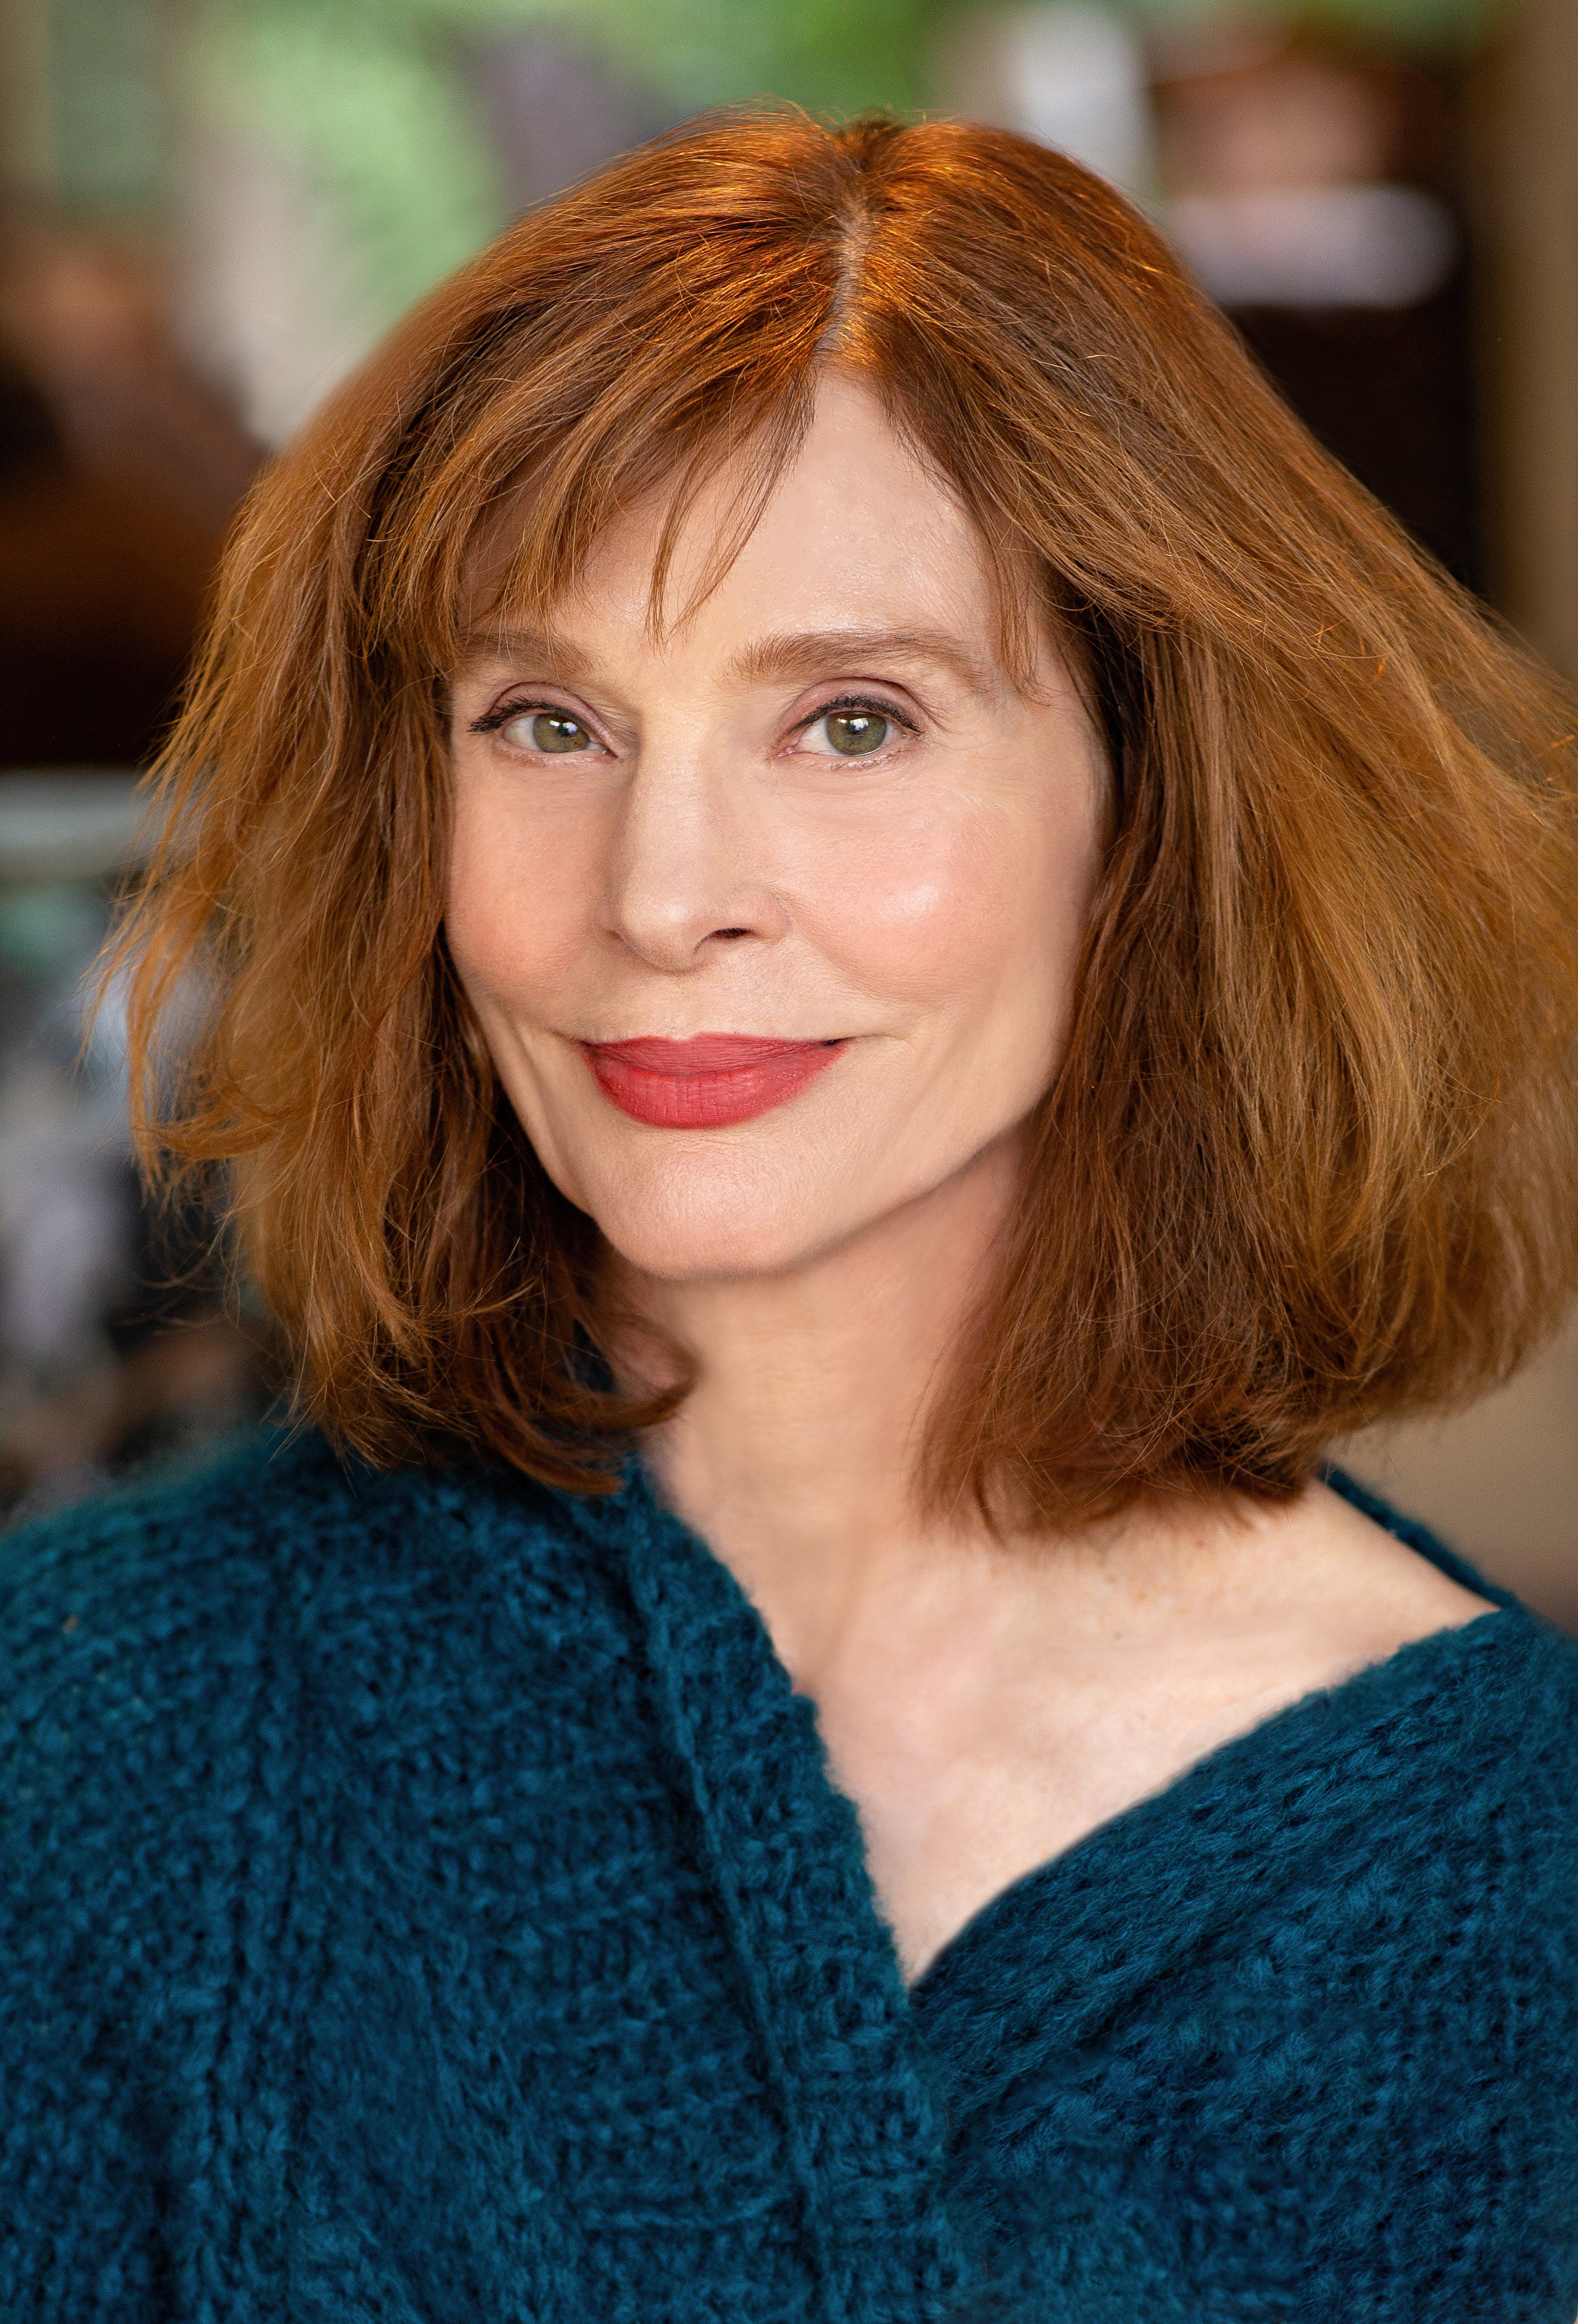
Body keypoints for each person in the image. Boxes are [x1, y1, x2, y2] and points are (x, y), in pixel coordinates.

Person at [3, 109, 1577, 2322]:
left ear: (1153, 804)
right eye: (546, 722)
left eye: (851, 722)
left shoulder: (1512, 1883)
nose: (663, 898)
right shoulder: (89, 1736)